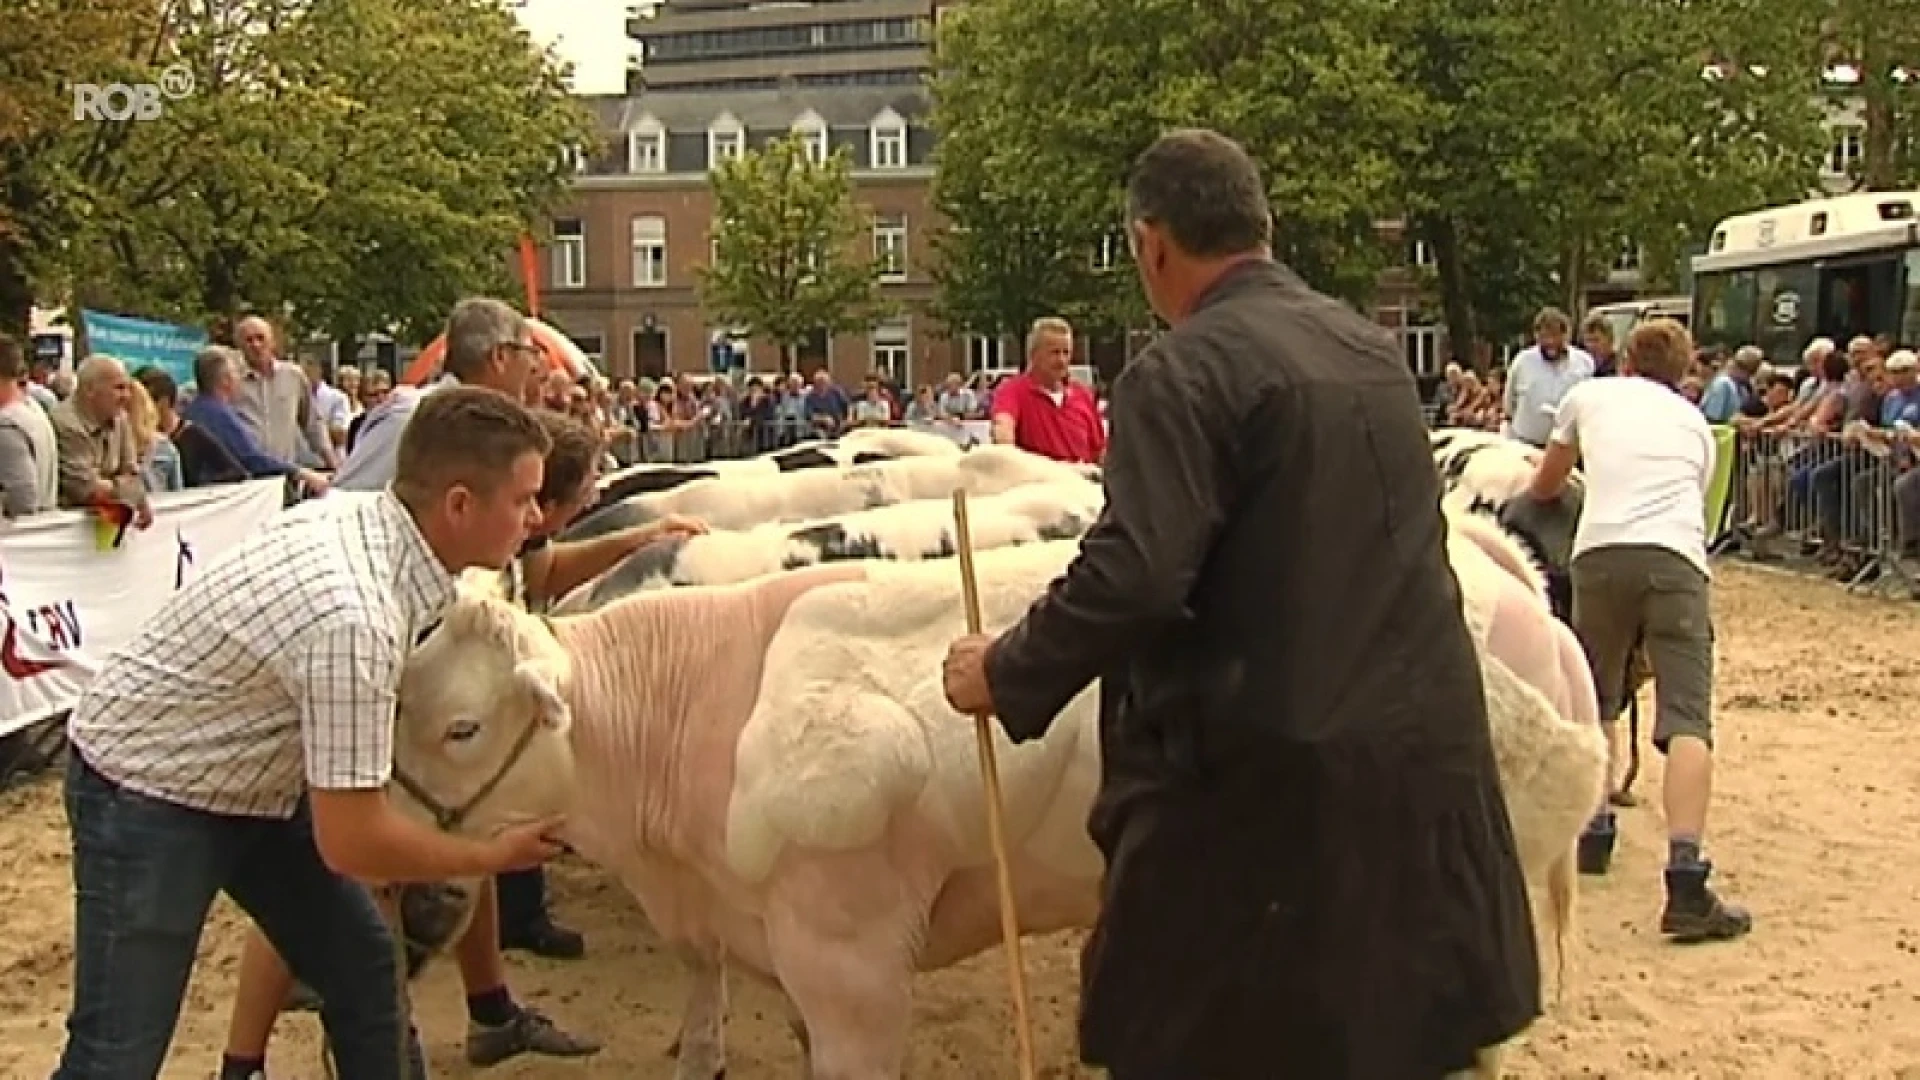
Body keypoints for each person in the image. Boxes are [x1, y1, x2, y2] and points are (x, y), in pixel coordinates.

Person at [939, 128, 1538, 1079]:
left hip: (1263, 811)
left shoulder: (1179, 374)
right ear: (1263, 226)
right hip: (1425, 771)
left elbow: (1136, 573)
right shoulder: (1370, 349)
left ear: (1153, 244)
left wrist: (1005, 669)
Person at [52, 387, 567, 1080]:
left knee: (361, 965)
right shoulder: (355, 617)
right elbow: (352, 840)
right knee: (116, 1052)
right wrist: (489, 853)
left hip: (248, 776)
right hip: (145, 789)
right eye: (524, 499)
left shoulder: (369, 523)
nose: (537, 517)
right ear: (459, 506)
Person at [1526, 319, 1752, 943]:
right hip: (1677, 559)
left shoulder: (1588, 396)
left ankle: (1593, 829)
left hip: (1600, 553)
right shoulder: (1695, 425)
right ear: (1683, 371)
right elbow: (1692, 498)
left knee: (1594, 695)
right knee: (1687, 717)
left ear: (1625, 359)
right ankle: (1685, 876)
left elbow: (1545, 484)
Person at [989, 316, 1106, 464]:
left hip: (1083, 482)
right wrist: (1004, 442)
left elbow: (1100, 451)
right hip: (1040, 483)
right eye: (1054, 353)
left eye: (1066, 353)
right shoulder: (1012, 391)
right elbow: (1003, 430)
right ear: (1033, 355)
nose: (1062, 360)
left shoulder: (1083, 395)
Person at [1501, 307, 1595, 448]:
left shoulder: (1584, 363)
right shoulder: (1522, 362)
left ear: (1566, 335)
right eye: (1545, 337)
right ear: (1536, 336)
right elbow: (1509, 405)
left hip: (1567, 448)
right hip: (1527, 445)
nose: (1550, 342)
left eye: (1555, 336)